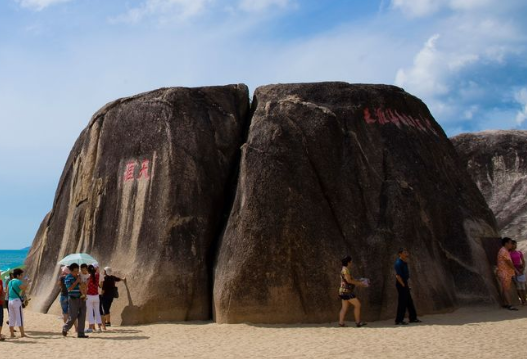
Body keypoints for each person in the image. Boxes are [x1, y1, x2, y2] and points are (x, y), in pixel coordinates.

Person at [338, 256, 367, 327]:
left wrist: (358, 280)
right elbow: (348, 280)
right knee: (357, 305)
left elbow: (349, 279)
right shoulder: (345, 270)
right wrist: (360, 283)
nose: (351, 263)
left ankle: (341, 323)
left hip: (342, 291)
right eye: (351, 261)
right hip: (347, 292)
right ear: (348, 262)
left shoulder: (344, 269)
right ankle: (358, 322)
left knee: (344, 308)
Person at [394, 248, 421, 325]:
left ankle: (413, 318)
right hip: (401, 283)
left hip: (404, 283)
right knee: (402, 302)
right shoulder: (398, 263)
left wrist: (406, 285)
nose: (406, 253)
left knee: (409, 301)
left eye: (406, 252)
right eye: (404, 252)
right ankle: (399, 320)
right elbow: (398, 276)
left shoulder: (404, 262)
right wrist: (403, 285)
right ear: (400, 254)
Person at [62, 263, 89, 338]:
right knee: (73, 316)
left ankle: (81, 333)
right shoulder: (68, 277)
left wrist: (83, 283)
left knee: (82, 315)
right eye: (75, 271)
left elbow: (83, 286)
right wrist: (76, 281)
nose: (76, 272)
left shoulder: (80, 276)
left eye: (77, 270)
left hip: (81, 297)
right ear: (71, 271)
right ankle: (65, 328)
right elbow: (69, 289)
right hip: (73, 298)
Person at [497, 237, 518, 310]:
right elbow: (508, 262)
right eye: (510, 243)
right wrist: (515, 269)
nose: (511, 245)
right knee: (506, 289)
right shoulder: (504, 251)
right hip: (505, 272)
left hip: (504, 272)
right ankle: (510, 304)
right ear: (506, 243)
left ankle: (505, 303)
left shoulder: (504, 250)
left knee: (504, 288)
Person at [8, 268, 27, 338]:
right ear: (18, 275)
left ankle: (12, 334)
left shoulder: (10, 282)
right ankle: (22, 334)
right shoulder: (18, 281)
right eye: (21, 275)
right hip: (16, 301)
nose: (22, 276)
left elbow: (7, 291)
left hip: (10, 300)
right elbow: (24, 288)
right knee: (19, 317)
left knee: (11, 317)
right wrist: (27, 283)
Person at [86, 265, 105, 333]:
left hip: (89, 296)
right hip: (96, 296)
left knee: (90, 312)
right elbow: (101, 278)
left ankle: (90, 327)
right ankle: (99, 327)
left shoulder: (88, 277)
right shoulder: (98, 275)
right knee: (97, 312)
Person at [509, 240, 525, 305]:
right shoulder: (509, 254)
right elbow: (510, 263)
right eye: (514, 244)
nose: (515, 246)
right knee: (518, 286)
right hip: (514, 270)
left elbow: (523, 260)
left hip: (521, 270)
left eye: (515, 244)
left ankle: (525, 299)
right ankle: (522, 300)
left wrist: (523, 268)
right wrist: (515, 270)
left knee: (523, 286)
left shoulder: (519, 252)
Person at [0, 276, 5, 341]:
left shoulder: (1, 281)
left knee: (1, 319)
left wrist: (3, 293)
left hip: (0, 303)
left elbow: (2, 292)